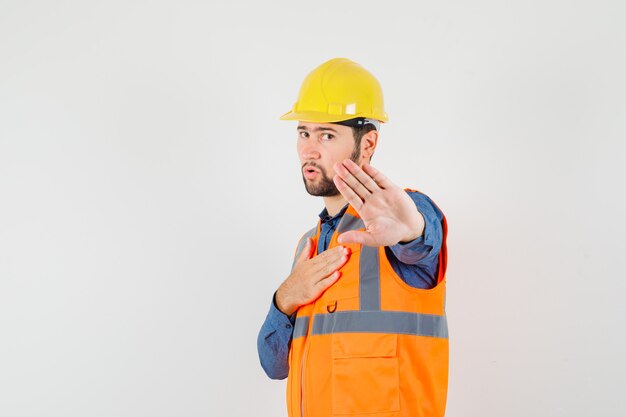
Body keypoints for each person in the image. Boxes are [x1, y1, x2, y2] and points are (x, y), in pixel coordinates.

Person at [257, 57, 449, 417]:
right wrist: (284, 298)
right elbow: (274, 366)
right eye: (303, 132)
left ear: (368, 143)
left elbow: (423, 241)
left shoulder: (404, 219)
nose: (309, 150)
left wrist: (414, 232)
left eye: (327, 135)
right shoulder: (308, 245)